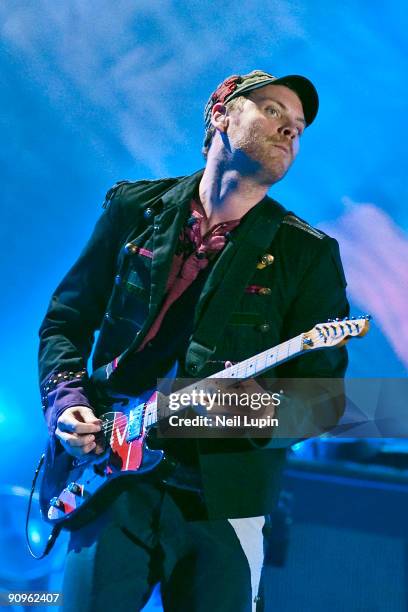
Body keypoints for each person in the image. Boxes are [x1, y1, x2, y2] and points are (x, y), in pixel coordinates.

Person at [38, 70, 349, 612]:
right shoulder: (135, 209)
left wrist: (226, 409)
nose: (290, 131)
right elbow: (67, 318)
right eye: (274, 111)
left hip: (225, 504)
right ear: (221, 114)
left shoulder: (308, 255)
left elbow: (322, 403)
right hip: (113, 478)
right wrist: (67, 403)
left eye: (299, 126)